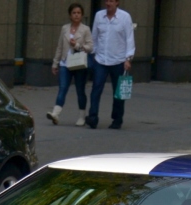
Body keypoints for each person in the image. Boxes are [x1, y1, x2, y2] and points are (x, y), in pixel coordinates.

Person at [86, 0, 135, 130]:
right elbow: (94, 37)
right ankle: (93, 117)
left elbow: (129, 39)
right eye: (106, 0)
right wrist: (94, 55)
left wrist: (128, 59)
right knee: (96, 89)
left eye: (111, 1)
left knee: (118, 93)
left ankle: (117, 119)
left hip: (118, 60)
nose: (108, 3)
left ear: (117, 2)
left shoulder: (125, 17)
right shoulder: (98, 16)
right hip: (101, 60)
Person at [50, 3, 93, 126]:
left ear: (82, 15)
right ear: (70, 15)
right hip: (65, 63)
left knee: (80, 90)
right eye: (74, 13)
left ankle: (81, 116)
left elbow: (90, 47)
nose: (76, 15)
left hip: (79, 64)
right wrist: (55, 63)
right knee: (63, 88)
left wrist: (77, 46)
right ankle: (56, 114)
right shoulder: (65, 28)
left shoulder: (85, 29)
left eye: (79, 13)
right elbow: (60, 46)